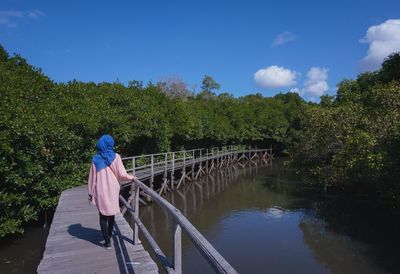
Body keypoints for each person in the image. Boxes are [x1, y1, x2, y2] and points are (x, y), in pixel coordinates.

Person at [87, 134, 136, 249]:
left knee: (103, 215)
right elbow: (122, 174)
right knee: (112, 213)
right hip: (113, 189)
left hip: (100, 190)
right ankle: (109, 234)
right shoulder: (116, 157)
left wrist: (90, 193)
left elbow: (91, 178)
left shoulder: (95, 159)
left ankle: (107, 241)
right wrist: (132, 177)